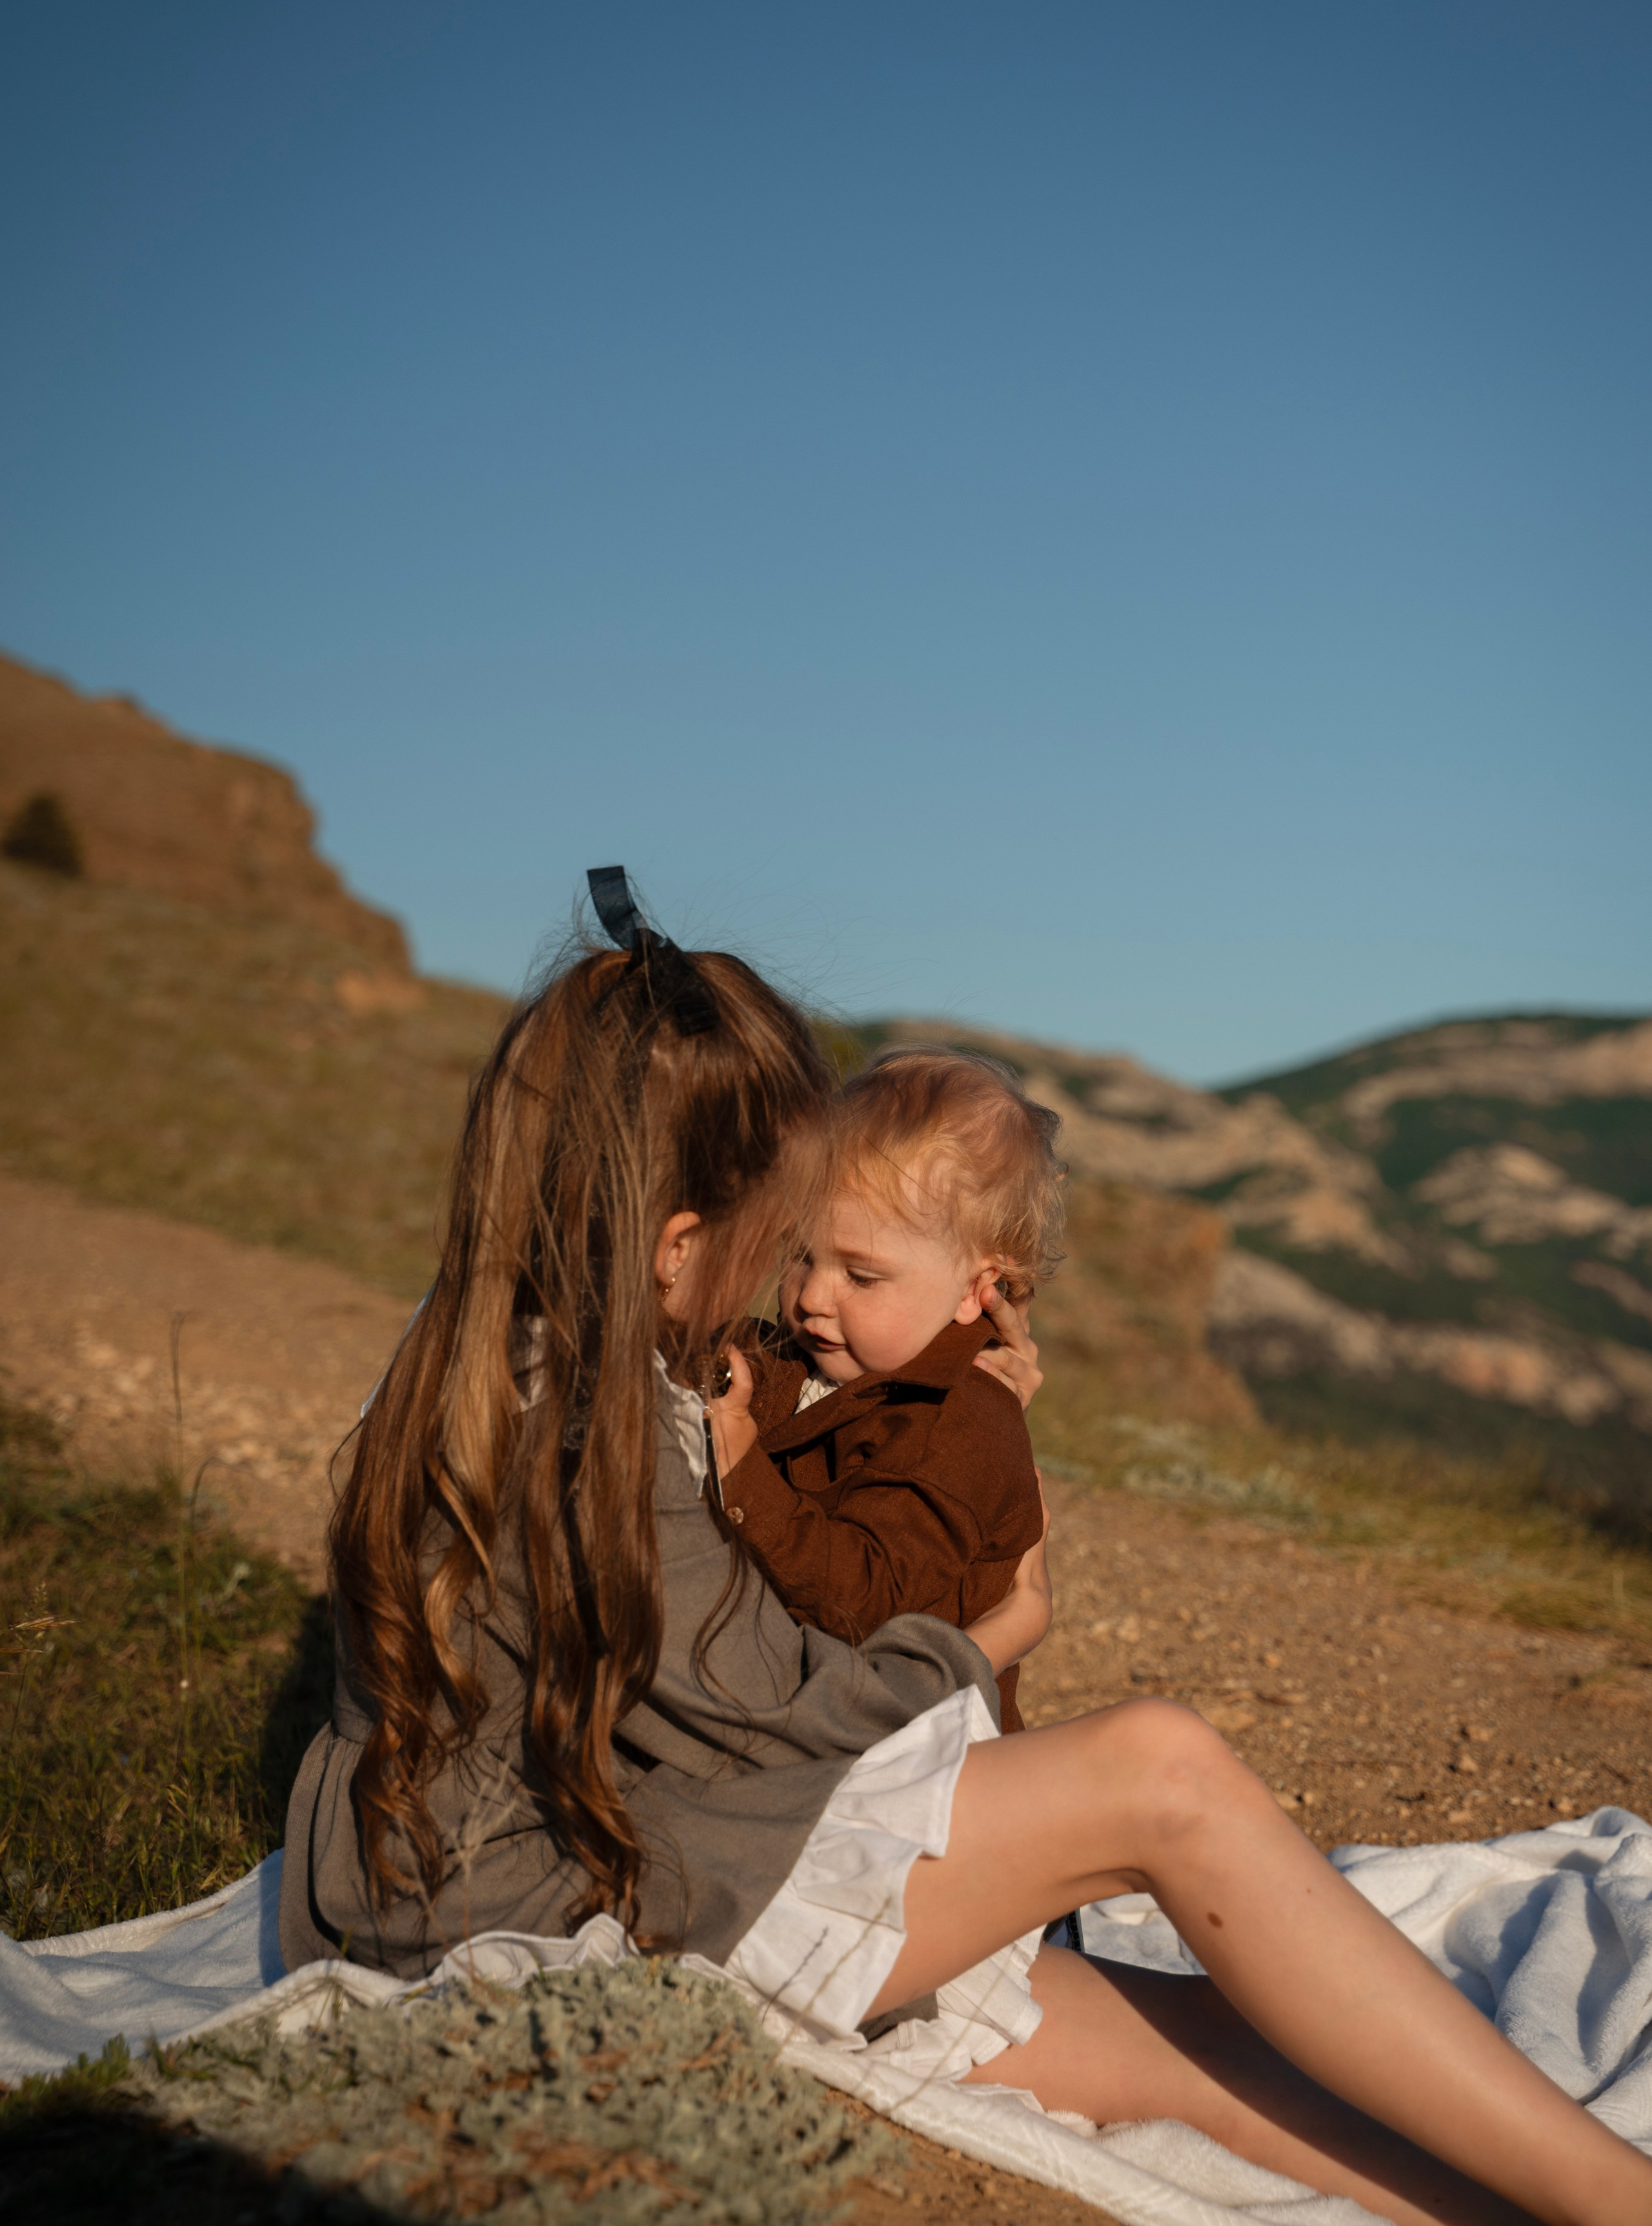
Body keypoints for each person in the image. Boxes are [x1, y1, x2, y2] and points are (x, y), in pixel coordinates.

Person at [281, 893, 1652, 2226]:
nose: (789, 1285)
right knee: (1158, 1772)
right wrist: (991, 1635)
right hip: (539, 1910)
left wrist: (925, 1415)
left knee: (1198, 2051)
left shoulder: (511, 1348)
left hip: (540, 1855)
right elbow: (782, 1713)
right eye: (779, 1231)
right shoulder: (594, 1437)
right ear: (677, 1241)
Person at [711, 1046, 1056, 1732]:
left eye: (861, 1277)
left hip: (912, 1749)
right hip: (799, 1709)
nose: (811, 1296)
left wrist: (740, 1469)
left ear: (972, 1289)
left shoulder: (961, 1424)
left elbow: (865, 1602)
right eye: (800, 1253)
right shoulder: (803, 1354)